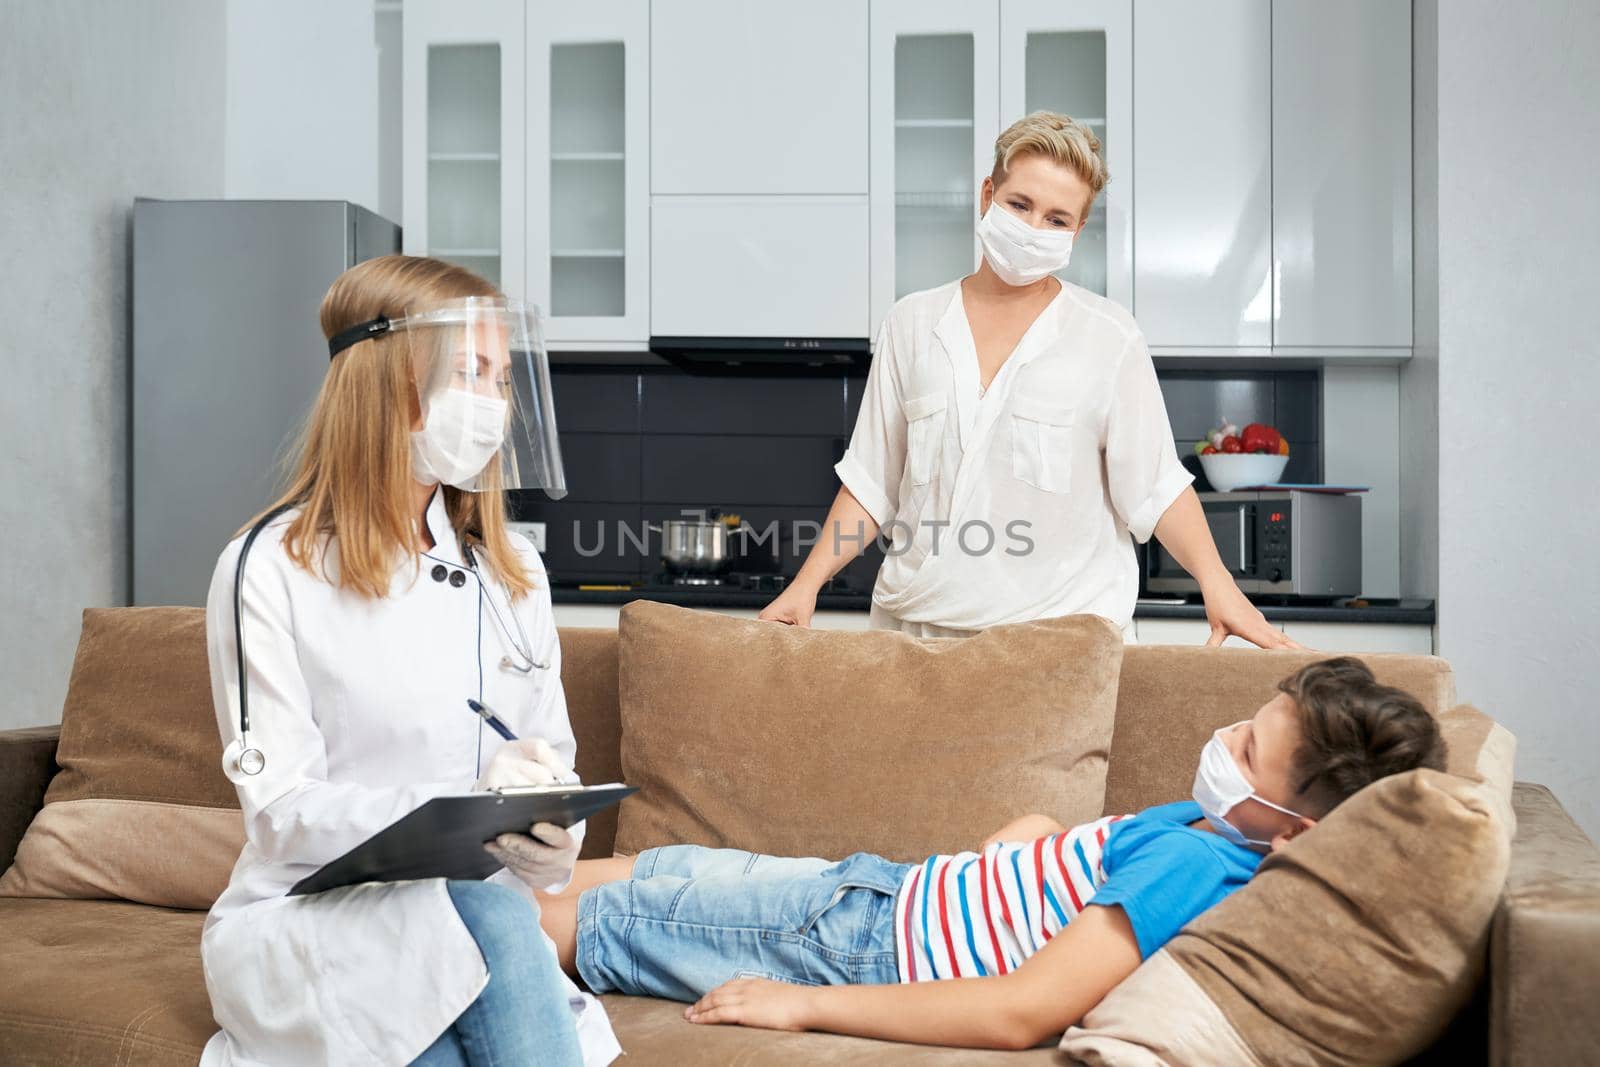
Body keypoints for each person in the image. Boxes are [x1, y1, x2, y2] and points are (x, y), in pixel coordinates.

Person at [538, 657, 1445, 1050]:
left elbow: (1021, 1009)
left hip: (856, 945)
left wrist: (805, 1005)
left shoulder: (1206, 870)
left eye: (1248, 752)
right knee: (634, 872)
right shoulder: (1215, 831)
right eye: (1247, 721)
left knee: (566, 918)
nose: (1224, 740)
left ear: (1298, 831)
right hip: (870, 892)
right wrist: (1044, 836)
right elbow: (1103, 864)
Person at [198, 255, 618, 1066]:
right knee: (483, 929)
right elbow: (279, 810)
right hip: (309, 915)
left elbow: (551, 760)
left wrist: (553, 838)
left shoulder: (513, 572)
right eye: (471, 372)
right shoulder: (268, 568)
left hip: (471, 918)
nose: (493, 403)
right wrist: (457, 808)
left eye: (502, 379)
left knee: (479, 933)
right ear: (392, 381)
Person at [760, 112, 1296, 649]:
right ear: (987, 194)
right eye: (1019, 206)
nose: (1033, 229)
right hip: (914, 638)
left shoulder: (1109, 337)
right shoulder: (912, 323)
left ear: (1077, 231)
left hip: (1059, 647)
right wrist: (805, 586)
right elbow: (872, 482)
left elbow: (1156, 486)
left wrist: (1219, 586)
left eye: (1057, 219)